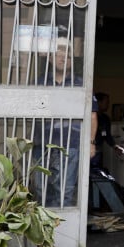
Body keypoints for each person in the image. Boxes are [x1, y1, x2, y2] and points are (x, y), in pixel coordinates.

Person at [35, 36, 90, 207]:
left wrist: (91, 142)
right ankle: (45, 227)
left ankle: (61, 230)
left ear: (73, 61)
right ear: (51, 58)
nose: (63, 57)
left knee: (65, 190)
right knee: (40, 188)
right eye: (58, 53)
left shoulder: (80, 84)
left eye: (67, 54)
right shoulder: (40, 82)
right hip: (42, 142)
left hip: (70, 144)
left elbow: (92, 114)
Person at [91, 92, 124, 169]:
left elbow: (107, 135)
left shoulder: (105, 119)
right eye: (106, 103)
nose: (108, 105)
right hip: (88, 151)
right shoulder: (90, 117)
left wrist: (115, 147)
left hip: (99, 152)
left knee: (97, 174)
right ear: (98, 103)